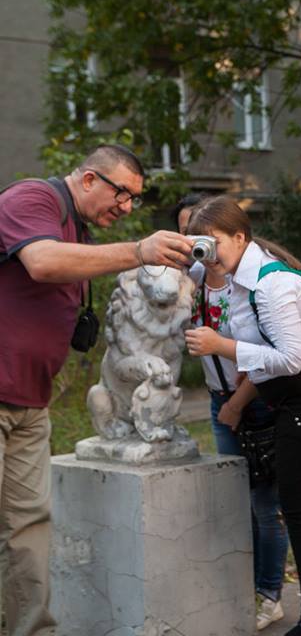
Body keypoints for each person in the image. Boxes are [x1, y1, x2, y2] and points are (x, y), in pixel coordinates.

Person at [0, 144, 193, 636]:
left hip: (29, 402)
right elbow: (42, 262)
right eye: (122, 193)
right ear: (89, 179)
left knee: (29, 527)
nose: (127, 207)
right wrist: (137, 250)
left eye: (134, 199)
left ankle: (32, 630)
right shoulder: (32, 200)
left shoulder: (80, 231)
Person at [182, 196, 301, 636]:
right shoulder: (242, 277)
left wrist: (223, 347)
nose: (207, 251)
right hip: (295, 403)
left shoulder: (271, 284)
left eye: (213, 241)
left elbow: (292, 358)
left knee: (300, 512)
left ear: (240, 237)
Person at [173, 194, 290, 631]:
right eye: (190, 237)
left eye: (206, 238)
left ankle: (269, 593)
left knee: (266, 504)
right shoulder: (197, 277)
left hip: (255, 400)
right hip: (220, 397)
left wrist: (237, 404)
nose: (199, 246)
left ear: (235, 237)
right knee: (233, 499)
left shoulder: (253, 280)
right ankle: (242, 585)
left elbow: (272, 351)